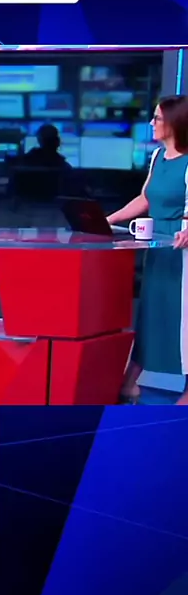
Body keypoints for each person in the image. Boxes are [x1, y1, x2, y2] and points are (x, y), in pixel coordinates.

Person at [107, 95, 188, 404]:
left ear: (176, 122)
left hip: (182, 252)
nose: (152, 123)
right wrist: (110, 218)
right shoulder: (157, 156)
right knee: (152, 315)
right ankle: (130, 383)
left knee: (183, 320)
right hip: (159, 250)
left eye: (158, 118)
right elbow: (145, 199)